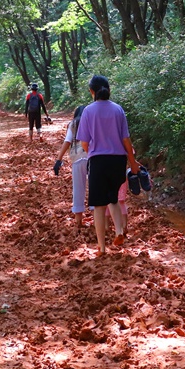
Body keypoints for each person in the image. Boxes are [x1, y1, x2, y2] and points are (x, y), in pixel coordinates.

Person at [76, 75, 140, 256]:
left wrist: (93, 154)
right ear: (108, 89)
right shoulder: (118, 109)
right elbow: (126, 140)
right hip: (118, 161)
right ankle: (119, 232)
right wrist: (133, 163)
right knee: (113, 198)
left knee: (98, 205)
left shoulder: (88, 111)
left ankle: (102, 248)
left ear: (92, 91)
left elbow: (84, 143)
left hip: (98, 160)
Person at [53, 105, 88, 231]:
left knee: (78, 189)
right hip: (91, 158)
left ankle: (79, 221)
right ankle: (98, 220)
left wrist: (59, 159)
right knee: (95, 189)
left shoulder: (72, 124)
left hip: (77, 159)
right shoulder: (91, 121)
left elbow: (67, 141)